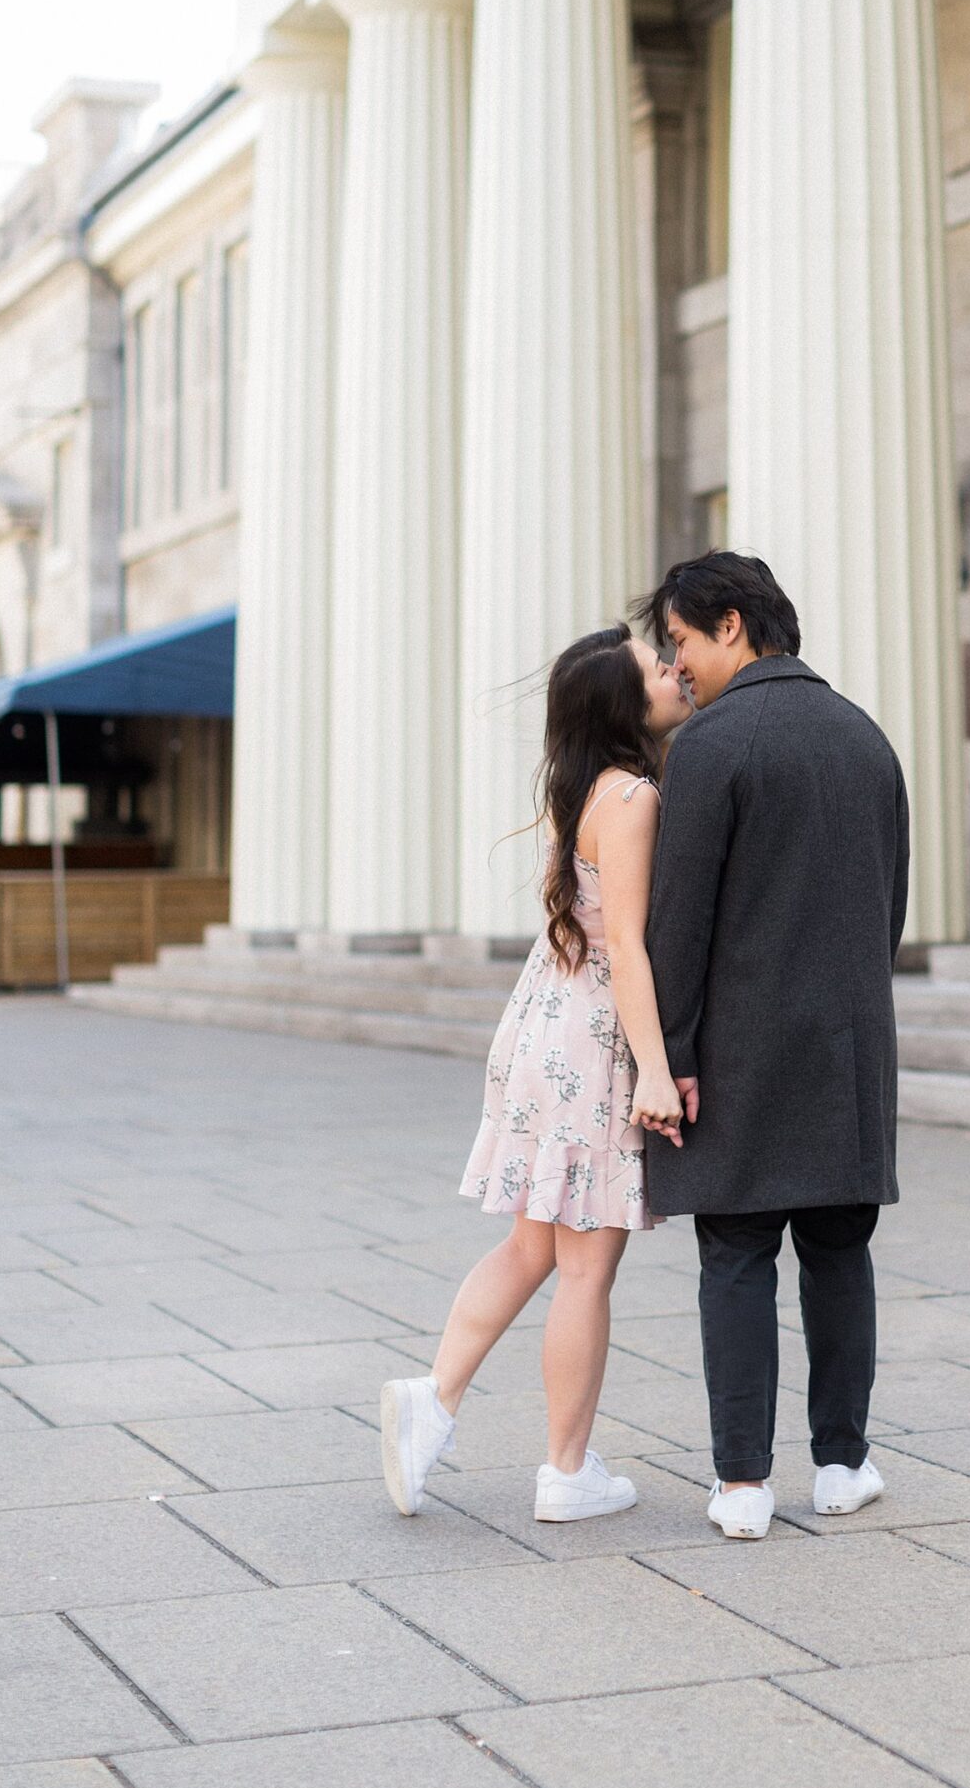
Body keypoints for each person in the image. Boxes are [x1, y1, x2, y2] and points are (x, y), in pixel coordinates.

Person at [379, 624, 691, 1523]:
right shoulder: (630, 796)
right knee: (585, 1270)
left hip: (545, 1025)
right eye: (651, 667)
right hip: (592, 1038)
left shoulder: (582, 788)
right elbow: (629, 949)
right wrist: (657, 1072)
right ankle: (564, 1470)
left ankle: (432, 1403)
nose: (671, 671)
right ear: (623, 705)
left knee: (530, 1247)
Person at [636, 551, 908, 1540]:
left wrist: (668, 1054)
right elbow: (890, 908)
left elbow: (680, 923)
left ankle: (743, 1484)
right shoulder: (867, 738)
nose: (679, 666)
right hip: (846, 1044)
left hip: (740, 1047)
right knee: (841, 1252)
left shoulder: (710, 745)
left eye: (684, 641)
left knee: (739, 1252)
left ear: (735, 625)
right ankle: (842, 1463)